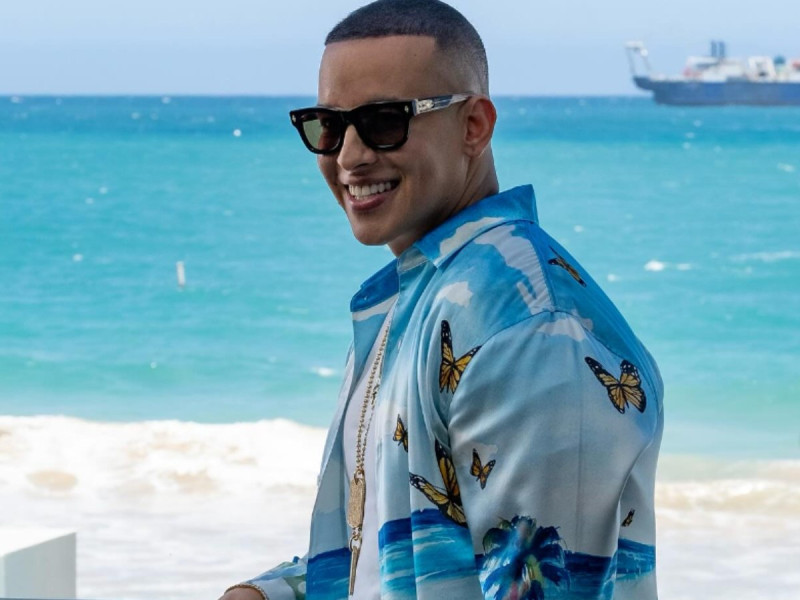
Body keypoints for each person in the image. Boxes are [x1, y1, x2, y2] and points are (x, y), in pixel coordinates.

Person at [221, 1, 663, 598]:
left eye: (384, 121)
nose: (349, 156)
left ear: (473, 126)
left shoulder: (528, 327)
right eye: (329, 126)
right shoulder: (426, 296)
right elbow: (403, 553)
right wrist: (274, 592)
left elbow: (545, 585)